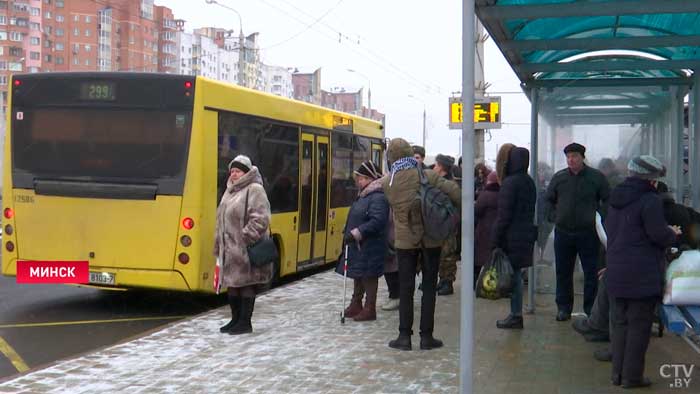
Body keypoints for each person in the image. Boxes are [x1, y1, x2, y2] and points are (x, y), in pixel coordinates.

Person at [605, 155, 680, 389]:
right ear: (650, 179)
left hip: (616, 269)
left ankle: (617, 375)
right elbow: (657, 234)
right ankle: (632, 377)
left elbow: (613, 229)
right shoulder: (650, 200)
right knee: (639, 326)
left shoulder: (616, 197)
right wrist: (672, 233)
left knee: (619, 326)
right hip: (641, 272)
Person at [383, 138, 461, 351]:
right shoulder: (428, 175)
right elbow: (456, 193)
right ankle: (426, 337)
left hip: (405, 242)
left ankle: (404, 337)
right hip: (431, 239)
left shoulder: (388, 182)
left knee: (406, 288)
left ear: (391, 158)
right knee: (429, 288)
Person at [545, 142, 610, 321]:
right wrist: (554, 216)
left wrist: (598, 217)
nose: (571, 160)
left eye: (574, 156)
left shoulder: (596, 178)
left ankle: (591, 310)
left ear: (582, 157)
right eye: (568, 157)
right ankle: (563, 308)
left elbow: (608, 200)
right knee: (563, 271)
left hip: (588, 233)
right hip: (563, 232)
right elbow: (548, 199)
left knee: (591, 272)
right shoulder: (560, 178)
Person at [214, 155, 273, 335]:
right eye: (232, 171)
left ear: (246, 172)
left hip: (244, 248)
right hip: (229, 248)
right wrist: (220, 242)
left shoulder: (255, 189)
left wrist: (244, 237)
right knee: (232, 285)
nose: (234, 174)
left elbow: (261, 218)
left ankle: (245, 322)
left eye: (238, 171)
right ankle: (235, 320)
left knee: (246, 285)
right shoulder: (230, 190)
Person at [337, 161, 390, 321]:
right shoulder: (365, 194)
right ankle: (356, 303)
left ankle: (369, 308)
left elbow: (378, 220)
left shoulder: (378, 197)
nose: (357, 181)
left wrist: (357, 233)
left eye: (360, 178)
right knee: (358, 273)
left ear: (369, 178)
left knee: (369, 275)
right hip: (361, 245)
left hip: (370, 244)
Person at [492, 145, 537, 329]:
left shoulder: (510, 183)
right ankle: (515, 313)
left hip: (512, 236)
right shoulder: (528, 181)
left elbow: (504, 216)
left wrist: (495, 239)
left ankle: (516, 314)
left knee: (514, 276)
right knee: (516, 274)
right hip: (524, 234)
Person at [434, 154, 459, 296]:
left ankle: (448, 282)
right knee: (441, 255)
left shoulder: (449, 184)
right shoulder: (439, 182)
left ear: (442, 167)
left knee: (448, 254)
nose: (434, 167)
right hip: (438, 224)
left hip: (448, 224)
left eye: (437, 165)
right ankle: (442, 280)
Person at [474, 171, 499, 288]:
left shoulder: (485, 195)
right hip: (497, 230)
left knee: (479, 258)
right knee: (493, 258)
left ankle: (475, 282)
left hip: (483, 230)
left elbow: (477, 211)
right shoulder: (503, 194)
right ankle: (493, 283)